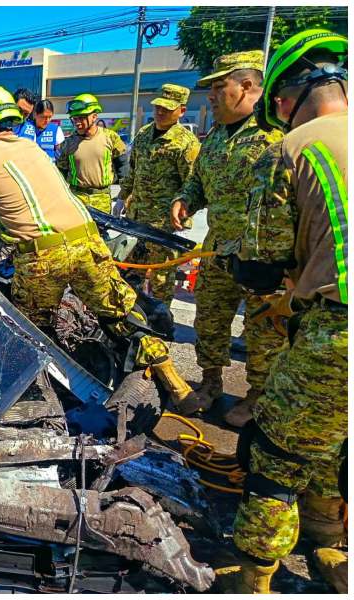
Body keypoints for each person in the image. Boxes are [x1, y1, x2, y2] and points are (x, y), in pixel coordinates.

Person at [0, 85, 199, 408]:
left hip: (43, 257)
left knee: (30, 332)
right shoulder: (31, 149)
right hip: (88, 242)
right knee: (122, 313)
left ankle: (37, 401)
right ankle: (178, 388)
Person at [216, 29, 348, 594]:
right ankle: (328, 541)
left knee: (274, 456)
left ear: (288, 94)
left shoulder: (294, 148)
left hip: (337, 333)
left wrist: (237, 265)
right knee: (335, 442)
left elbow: (262, 264)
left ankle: (255, 579)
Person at [169, 51, 285, 425]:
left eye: (220, 87)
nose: (211, 97)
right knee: (210, 321)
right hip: (218, 248)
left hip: (264, 255)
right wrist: (185, 198)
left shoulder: (279, 131)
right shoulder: (217, 134)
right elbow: (199, 179)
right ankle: (210, 382)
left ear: (248, 86)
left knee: (264, 332)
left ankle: (257, 397)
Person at [119, 84, 200, 305]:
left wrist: (184, 220)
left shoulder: (187, 143)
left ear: (181, 111)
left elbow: (193, 184)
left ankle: (160, 323)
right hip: (136, 219)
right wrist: (122, 197)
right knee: (130, 272)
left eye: (167, 109)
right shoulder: (144, 134)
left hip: (164, 224)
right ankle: (130, 316)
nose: (160, 112)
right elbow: (133, 170)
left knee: (162, 280)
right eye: (158, 107)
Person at [57, 93, 127, 213]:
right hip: (76, 199)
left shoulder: (111, 138)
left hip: (102, 200)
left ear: (94, 116)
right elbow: (60, 174)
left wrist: (123, 198)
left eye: (81, 118)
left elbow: (123, 168)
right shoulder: (67, 144)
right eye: (74, 118)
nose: (77, 122)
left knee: (100, 232)